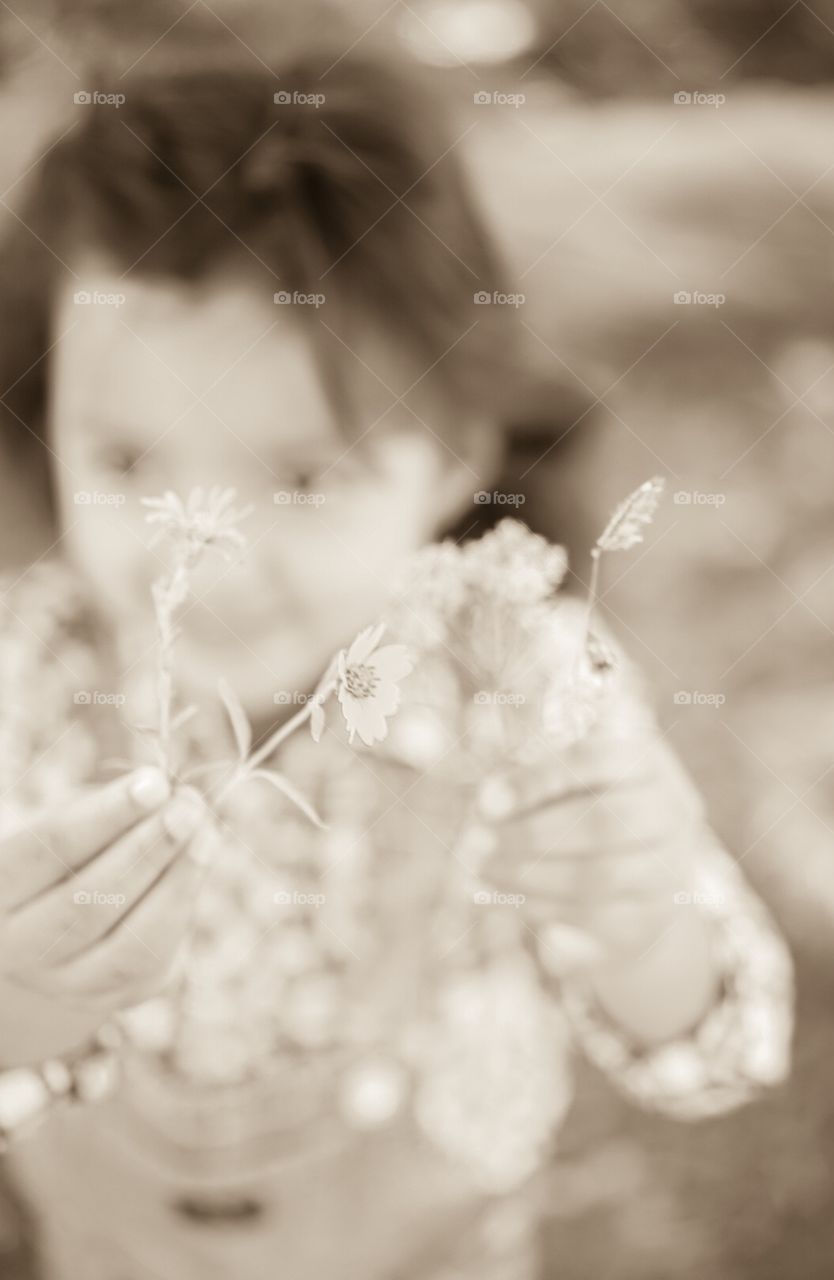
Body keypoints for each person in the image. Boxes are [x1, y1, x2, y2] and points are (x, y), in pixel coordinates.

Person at [0, 47, 793, 1280]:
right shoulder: (29, 680)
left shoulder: (525, 684)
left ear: (454, 452)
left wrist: (639, 918)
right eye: (125, 461)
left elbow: (714, 1045)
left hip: (435, 1241)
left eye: (306, 476)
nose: (205, 559)